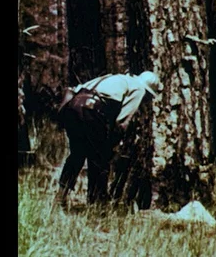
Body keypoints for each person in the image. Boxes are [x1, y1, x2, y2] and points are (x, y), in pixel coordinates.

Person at [54, 71, 160, 207]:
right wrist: (113, 143)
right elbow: (122, 121)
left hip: (73, 109)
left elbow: (74, 92)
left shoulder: (116, 78)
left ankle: (61, 195)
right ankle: (97, 204)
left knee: (77, 155)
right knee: (100, 159)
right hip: (92, 111)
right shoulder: (138, 88)